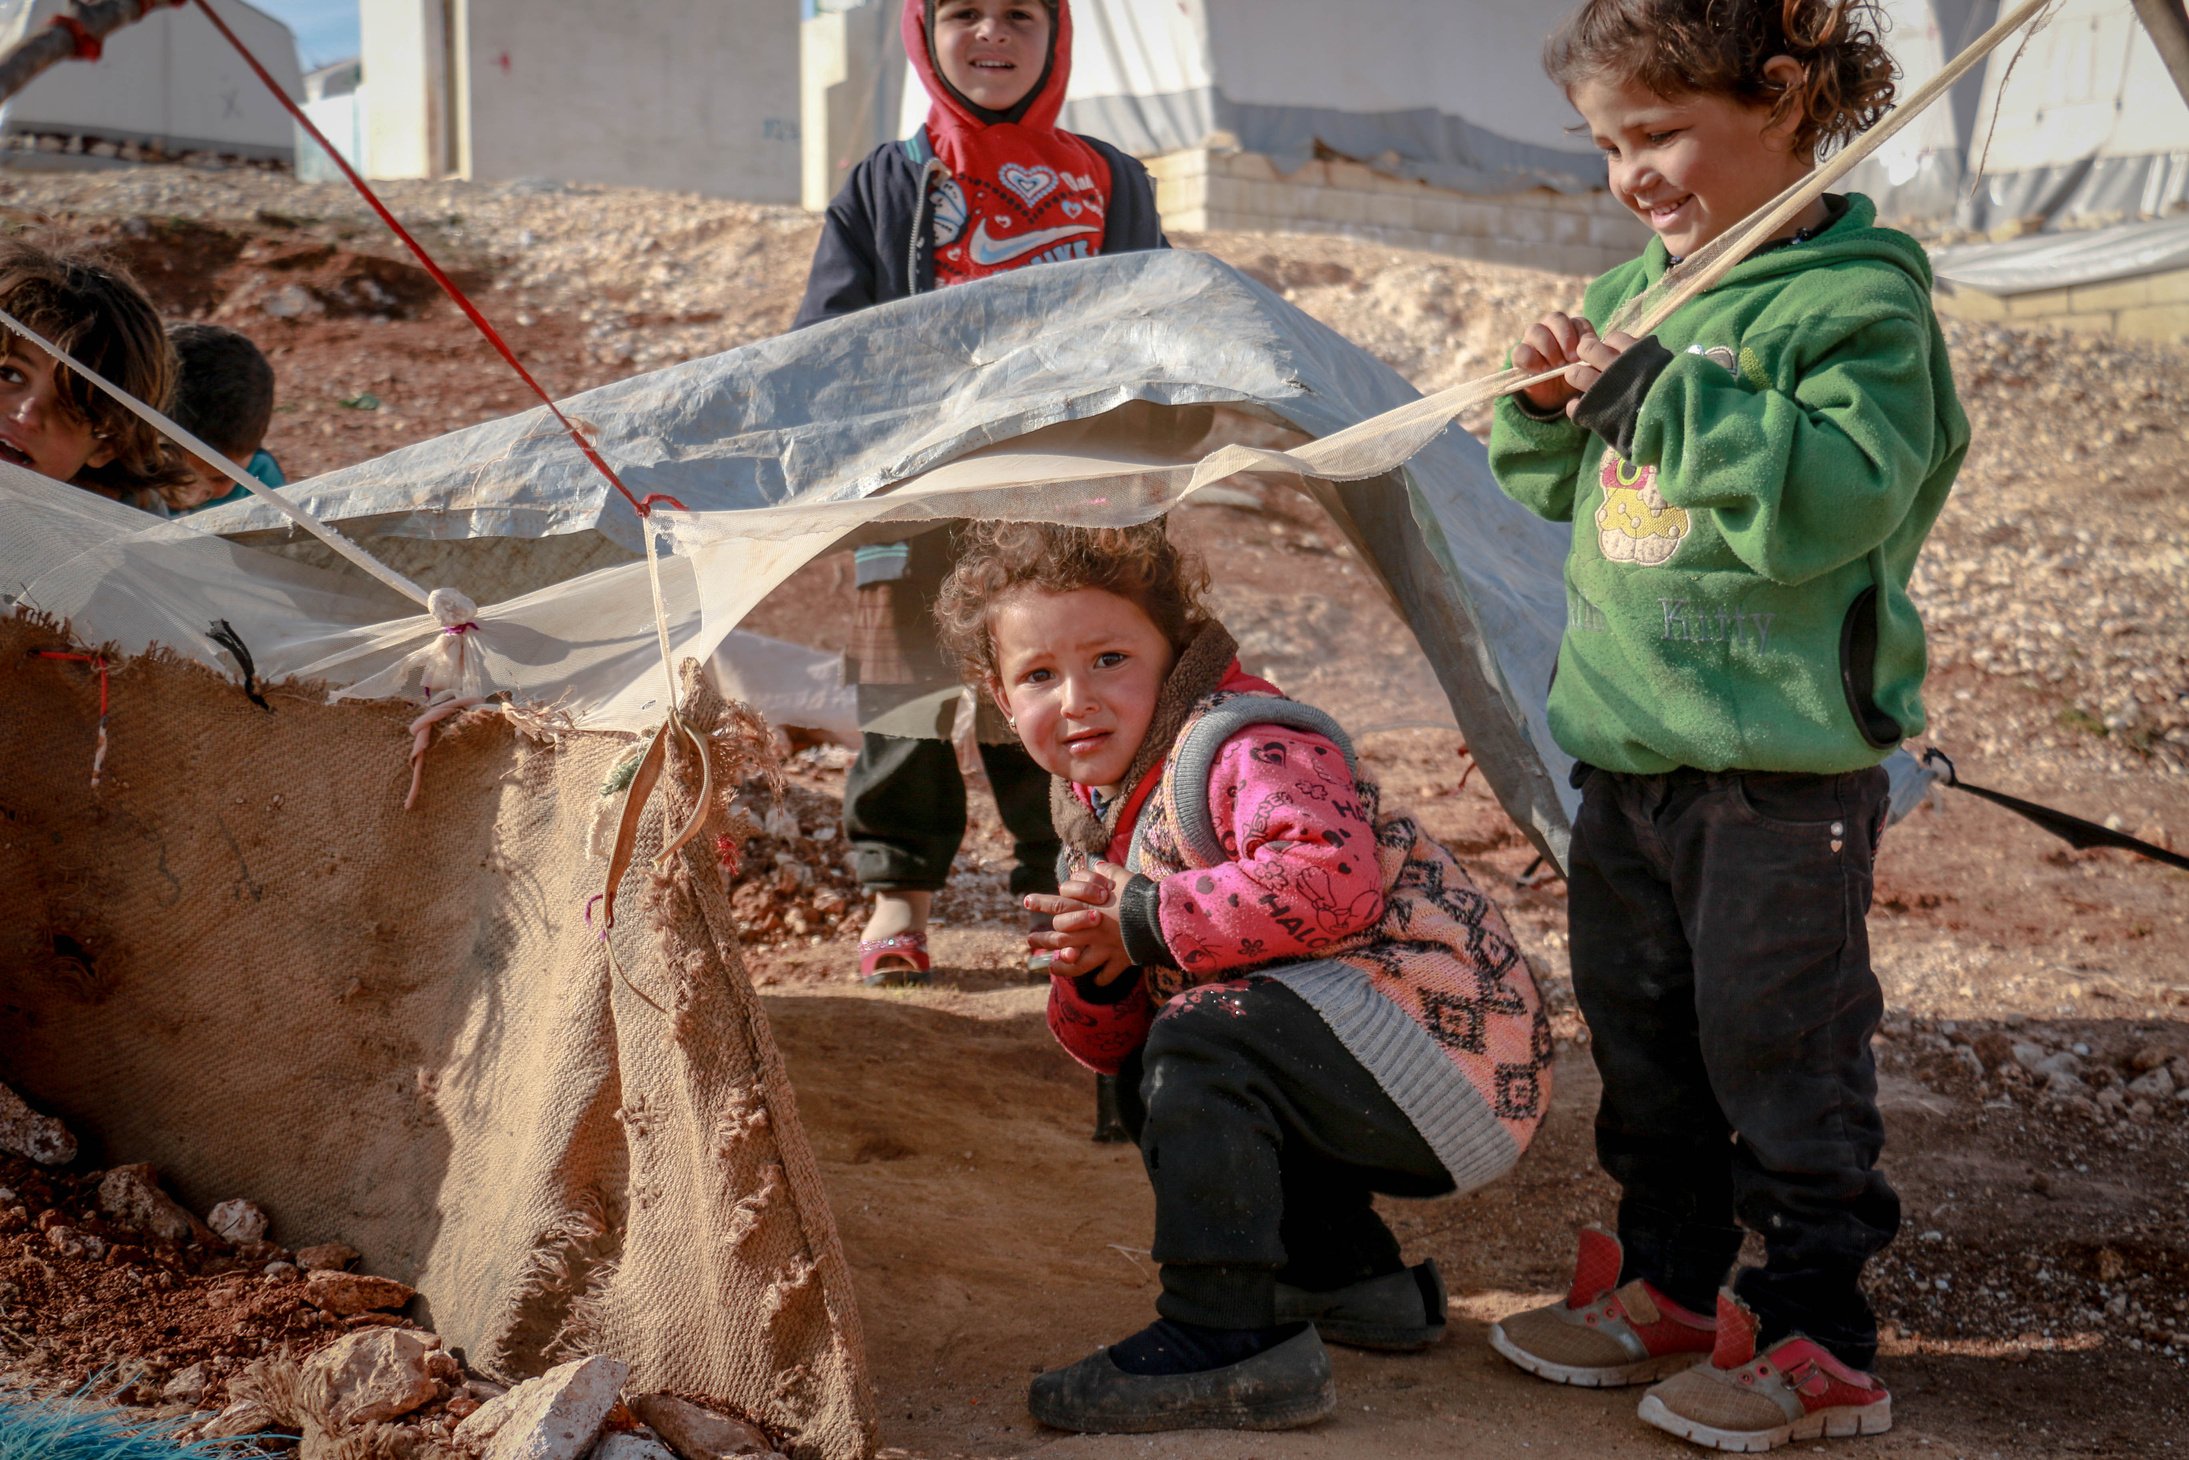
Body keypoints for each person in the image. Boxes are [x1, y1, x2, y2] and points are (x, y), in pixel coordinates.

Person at [1482, 0, 1967, 1450]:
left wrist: (1640, 388)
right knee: (1649, 1052)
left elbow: (1828, 506)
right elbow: (1562, 490)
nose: (1631, 172)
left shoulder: (1859, 308)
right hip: (1627, 765)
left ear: (1789, 97)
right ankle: (1673, 1288)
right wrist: (1543, 403)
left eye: (1661, 131)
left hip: (1778, 780)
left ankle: (1817, 1336)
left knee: (1782, 1056)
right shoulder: (1647, 289)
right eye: (1608, 144)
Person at [932, 520, 1551, 1433]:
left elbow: (1330, 888)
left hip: (1450, 1066)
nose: (1076, 699)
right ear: (997, 696)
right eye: (1037, 676)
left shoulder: (1248, 747)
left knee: (1204, 1035)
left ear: (1177, 652)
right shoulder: (1099, 820)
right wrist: (1103, 971)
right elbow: (1113, 1052)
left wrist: (1143, 919)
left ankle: (1224, 1340)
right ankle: (1348, 1280)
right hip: (1384, 1070)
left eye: (1108, 658)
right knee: (1170, 1047)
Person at [793, 0, 1165, 987]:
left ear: (1056, 37)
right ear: (922, 32)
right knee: (904, 695)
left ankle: (1062, 881)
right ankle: (898, 892)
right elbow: (824, 341)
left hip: (1059, 502)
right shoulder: (882, 182)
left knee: (1042, 688)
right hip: (913, 494)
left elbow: (1153, 323)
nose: (990, 36)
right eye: (963, 12)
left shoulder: (1108, 181)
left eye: (1017, 15)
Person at [0, 236, 188, 512]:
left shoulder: (125, 545)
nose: (26, 417)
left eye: (71, 405)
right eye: (9, 374)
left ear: (105, 448)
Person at [161, 322, 287, 514]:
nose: (190, 496)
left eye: (219, 479)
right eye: (177, 476)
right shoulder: (114, 479)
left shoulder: (260, 481)